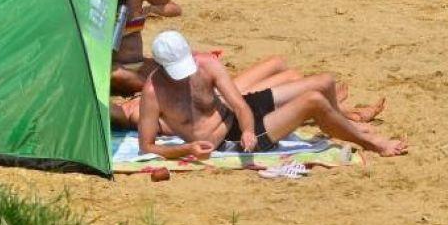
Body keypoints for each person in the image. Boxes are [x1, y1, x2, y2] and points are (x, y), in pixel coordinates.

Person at [137, 31, 406, 159]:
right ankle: (373, 144)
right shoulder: (153, 92)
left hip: (241, 123)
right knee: (313, 101)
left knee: (324, 82)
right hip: (225, 142)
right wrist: (186, 149)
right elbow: (146, 146)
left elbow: (240, 105)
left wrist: (247, 129)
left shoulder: (205, 64)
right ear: (159, 66)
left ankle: (345, 124)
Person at [110, 0, 182, 95]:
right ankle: (158, 91)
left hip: (139, 62)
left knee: (175, 69)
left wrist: (153, 9)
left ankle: (153, 88)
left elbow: (175, 9)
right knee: (117, 75)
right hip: (115, 67)